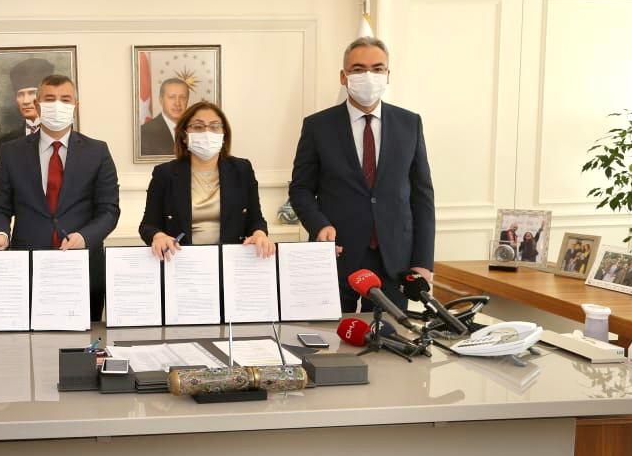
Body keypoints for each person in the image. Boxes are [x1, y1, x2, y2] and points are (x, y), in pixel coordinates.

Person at [289, 36, 436, 313]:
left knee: (390, 336)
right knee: (329, 335)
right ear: (343, 76)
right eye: (358, 69)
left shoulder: (409, 123)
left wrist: (423, 261)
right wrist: (318, 225)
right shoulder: (318, 126)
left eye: (377, 69)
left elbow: (422, 196)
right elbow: (300, 189)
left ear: (388, 75)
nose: (368, 76)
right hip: (336, 254)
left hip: (394, 260)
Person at [0, 73, 120, 320]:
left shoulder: (98, 151)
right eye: (50, 99)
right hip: (28, 267)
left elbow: (109, 210)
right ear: (38, 104)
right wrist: (1, 234)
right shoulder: (11, 152)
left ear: (75, 105)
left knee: (84, 342)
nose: (57, 105)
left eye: (65, 99)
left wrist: (85, 237)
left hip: (83, 266)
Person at [139, 101, 274, 260]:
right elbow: (148, 225)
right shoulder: (165, 174)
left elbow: (256, 220)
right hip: (181, 260)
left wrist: (259, 234)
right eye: (198, 127)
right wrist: (158, 236)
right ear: (184, 136)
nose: (207, 132)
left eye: (215, 126)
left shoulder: (242, 170)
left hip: (229, 260)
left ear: (224, 135)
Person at [0, 55, 55, 152]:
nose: (25, 101)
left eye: (32, 93)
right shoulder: (6, 142)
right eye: (20, 94)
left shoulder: (60, 137)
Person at [139, 78, 190, 159]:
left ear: (187, 100)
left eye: (182, 97)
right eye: (171, 97)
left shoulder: (194, 130)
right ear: (161, 100)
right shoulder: (144, 133)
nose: (177, 103)